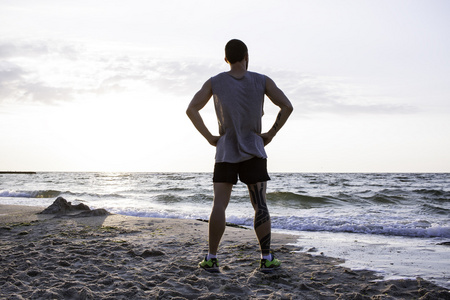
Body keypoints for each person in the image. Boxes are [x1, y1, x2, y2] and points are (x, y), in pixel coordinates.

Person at [186, 39, 293, 273]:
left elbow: (191, 109)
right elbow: (287, 106)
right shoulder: (261, 80)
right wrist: (271, 134)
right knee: (260, 204)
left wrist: (210, 137)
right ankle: (266, 258)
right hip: (254, 148)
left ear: (226, 59)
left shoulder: (215, 82)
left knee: (219, 205)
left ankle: (211, 257)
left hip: (225, 150)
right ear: (247, 56)